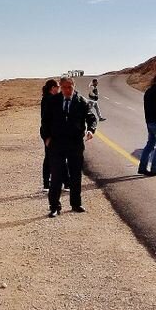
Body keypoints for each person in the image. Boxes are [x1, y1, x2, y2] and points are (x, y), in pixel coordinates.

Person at [41, 76, 97, 217]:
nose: (67, 90)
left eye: (70, 87)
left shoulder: (81, 101)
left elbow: (91, 117)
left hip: (75, 144)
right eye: (64, 87)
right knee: (56, 176)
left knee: (75, 175)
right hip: (57, 144)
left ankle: (76, 203)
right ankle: (54, 206)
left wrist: (91, 129)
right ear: (61, 87)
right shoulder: (53, 101)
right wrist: (46, 138)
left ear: (74, 86)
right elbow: (45, 121)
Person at [39, 79, 59, 191]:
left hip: (52, 133)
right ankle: (47, 183)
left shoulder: (49, 99)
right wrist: (47, 137)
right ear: (53, 88)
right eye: (58, 86)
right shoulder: (48, 100)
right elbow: (45, 120)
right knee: (49, 158)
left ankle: (60, 182)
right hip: (49, 133)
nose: (59, 88)